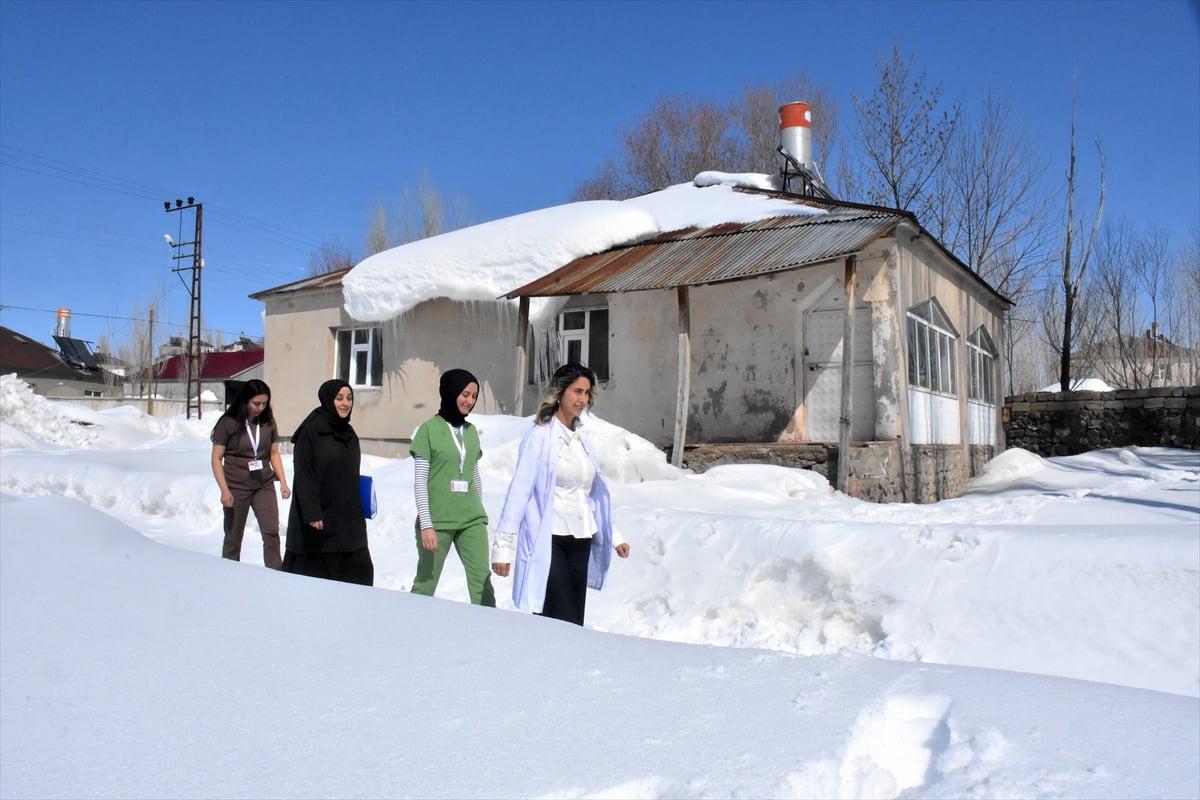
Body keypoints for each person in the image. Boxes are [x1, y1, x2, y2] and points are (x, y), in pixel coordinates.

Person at [492, 363, 630, 625]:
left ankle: (568, 666)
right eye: (577, 391)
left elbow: (589, 496)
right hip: (550, 539)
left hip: (581, 538)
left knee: (574, 621)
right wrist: (503, 549)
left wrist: (615, 536)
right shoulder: (540, 437)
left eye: (587, 393)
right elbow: (518, 494)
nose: (583, 400)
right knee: (557, 618)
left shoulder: (581, 439)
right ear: (560, 392)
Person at [409, 368, 496, 606]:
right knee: (426, 585)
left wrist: (479, 508)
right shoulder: (428, 430)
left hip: (471, 520)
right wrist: (426, 525)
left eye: (474, 396)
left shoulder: (470, 432)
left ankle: (491, 636)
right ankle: (409, 632)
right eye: (465, 394)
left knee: (483, 585)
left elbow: (473, 473)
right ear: (450, 392)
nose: (469, 401)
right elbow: (419, 482)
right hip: (438, 521)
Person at [282, 379, 373, 586]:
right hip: (319, 518)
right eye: (339, 398)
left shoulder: (349, 433)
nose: (345, 403)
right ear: (328, 400)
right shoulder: (311, 432)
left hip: (346, 517)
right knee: (316, 578)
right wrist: (312, 511)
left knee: (357, 573)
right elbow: (304, 475)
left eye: (349, 398)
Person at [210, 379, 290, 569]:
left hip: (264, 485)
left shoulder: (268, 422)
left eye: (264, 403)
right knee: (233, 537)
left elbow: (273, 453)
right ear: (245, 400)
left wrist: (283, 483)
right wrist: (224, 490)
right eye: (256, 403)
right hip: (236, 487)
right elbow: (216, 459)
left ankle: (276, 575)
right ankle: (230, 576)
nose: (260, 408)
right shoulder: (228, 423)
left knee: (271, 533)